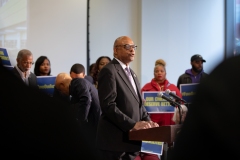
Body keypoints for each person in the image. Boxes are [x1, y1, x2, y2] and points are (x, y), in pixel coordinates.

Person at [0, 58, 98, 159]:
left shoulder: (77, 82)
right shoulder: (74, 87)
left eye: (60, 90)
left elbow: (86, 100)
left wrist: (80, 120)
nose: (62, 93)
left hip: (93, 124)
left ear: (62, 85)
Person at [96, 36, 159, 160]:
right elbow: (108, 106)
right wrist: (133, 125)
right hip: (115, 143)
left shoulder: (133, 74)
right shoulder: (109, 71)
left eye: (133, 47)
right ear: (115, 50)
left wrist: (148, 122)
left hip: (131, 143)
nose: (132, 50)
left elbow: (139, 105)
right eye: (127, 47)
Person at [170, 55, 240, 160]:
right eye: (197, 62)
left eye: (201, 62)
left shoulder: (207, 77)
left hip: (201, 114)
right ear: (191, 63)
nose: (200, 64)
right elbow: (179, 95)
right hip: (186, 113)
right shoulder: (182, 77)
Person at [140, 59, 182, 160]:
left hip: (169, 125)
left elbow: (181, 104)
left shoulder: (172, 88)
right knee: (151, 155)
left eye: (161, 71)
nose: (159, 73)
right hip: (152, 125)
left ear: (165, 73)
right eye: (156, 71)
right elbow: (139, 104)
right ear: (153, 73)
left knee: (168, 155)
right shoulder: (146, 88)